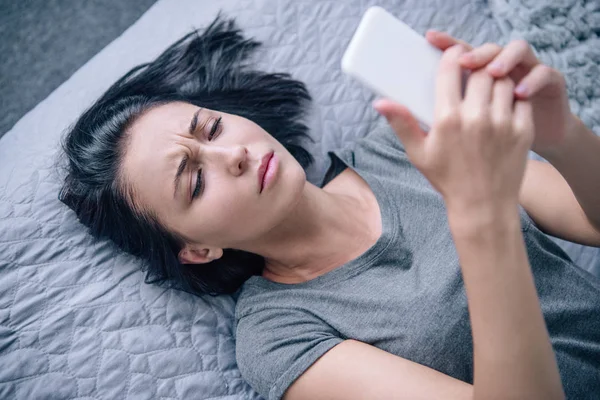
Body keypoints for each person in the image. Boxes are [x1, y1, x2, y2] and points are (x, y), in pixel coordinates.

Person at [59, 16, 600, 400]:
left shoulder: (400, 148)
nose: (234, 155)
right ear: (197, 249)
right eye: (194, 180)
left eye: (212, 127)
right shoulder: (279, 336)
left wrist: (561, 135)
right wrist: (477, 215)